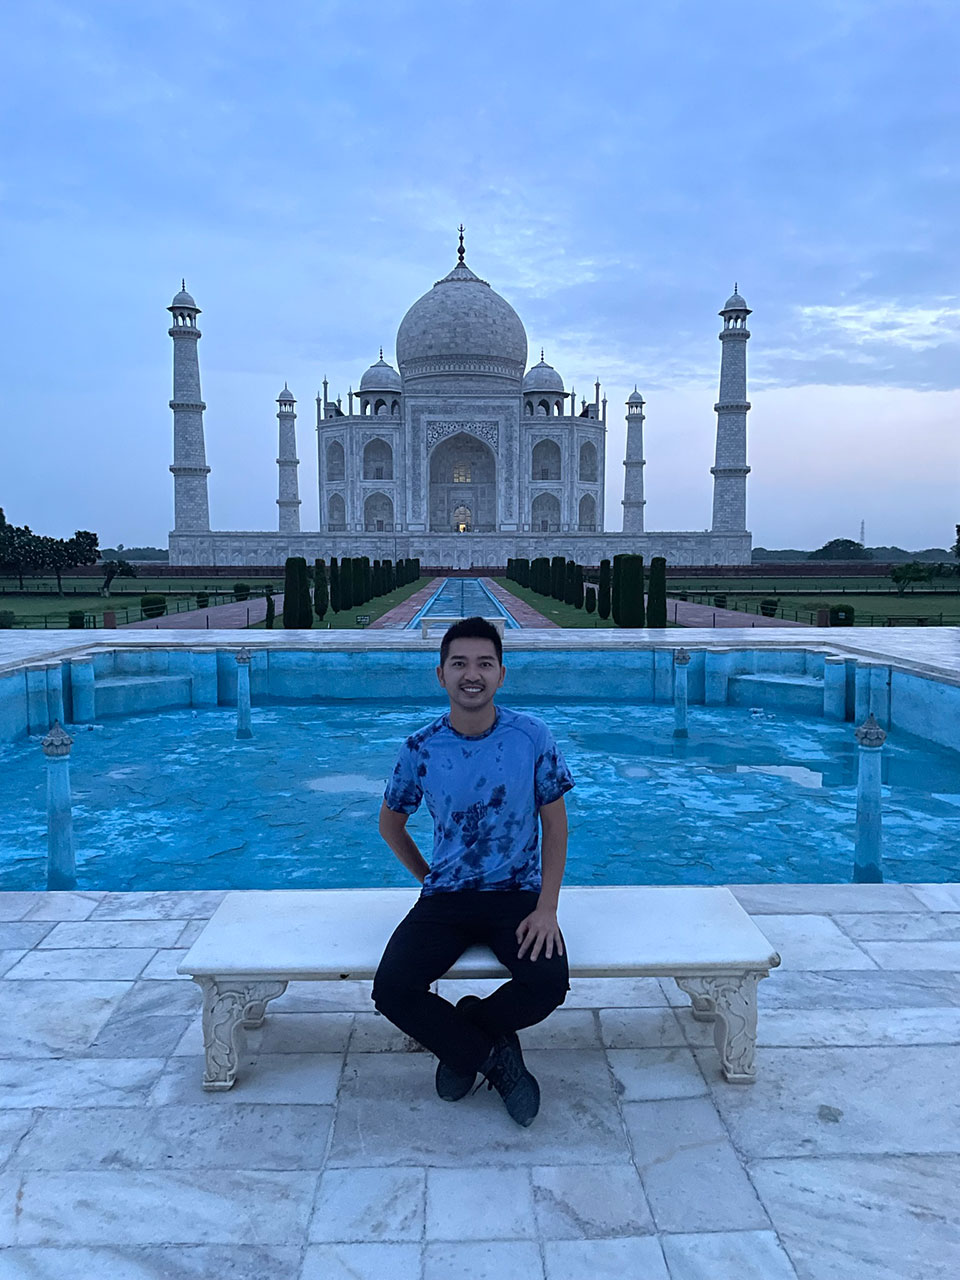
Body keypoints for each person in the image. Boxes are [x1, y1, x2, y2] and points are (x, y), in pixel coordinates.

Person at [372, 615, 574, 1127]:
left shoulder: (532, 736)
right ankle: (493, 1058)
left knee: (548, 982)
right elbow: (391, 824)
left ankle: (464, 1036)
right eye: (459, 663)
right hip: (448, 898)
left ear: (501, 674)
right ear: (440, 674)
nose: (472, 674)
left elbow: (556, 828)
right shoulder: (421, 747)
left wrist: (547, 908)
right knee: (391, 989)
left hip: (517, 895)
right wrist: (427, 880)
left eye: (484, 663)